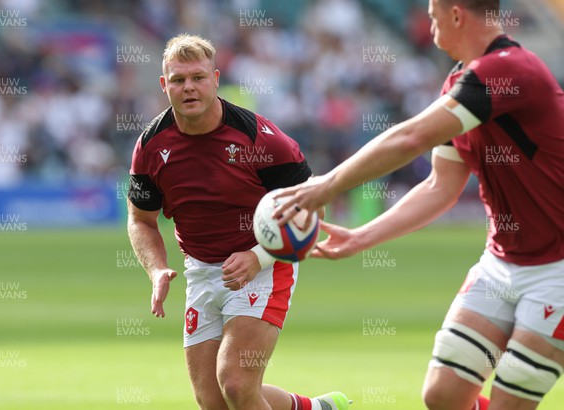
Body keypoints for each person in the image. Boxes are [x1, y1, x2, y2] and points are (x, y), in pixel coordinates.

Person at [274, 1, 564, 409]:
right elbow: (439, 187)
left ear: (457, 15)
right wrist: (361, 237)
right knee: (443, 395)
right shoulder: (460, 82)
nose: (426, 24)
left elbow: (411, 138)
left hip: (557, 270)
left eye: (432, 15)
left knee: (509, 403)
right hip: (502, 262)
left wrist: (327, 185)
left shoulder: (509, 70)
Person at [126, 34, 350, 410]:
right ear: (165, 85)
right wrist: (157, 270)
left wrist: (258, 257)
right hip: (200, 270)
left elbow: (313, 212)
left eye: (198, 77)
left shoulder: (262, 139)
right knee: (214, 401)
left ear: (216, 79)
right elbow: (141, 220)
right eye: (178, 80)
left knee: (235, 381)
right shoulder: (151, 146)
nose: (189, 87)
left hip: (265, 266)